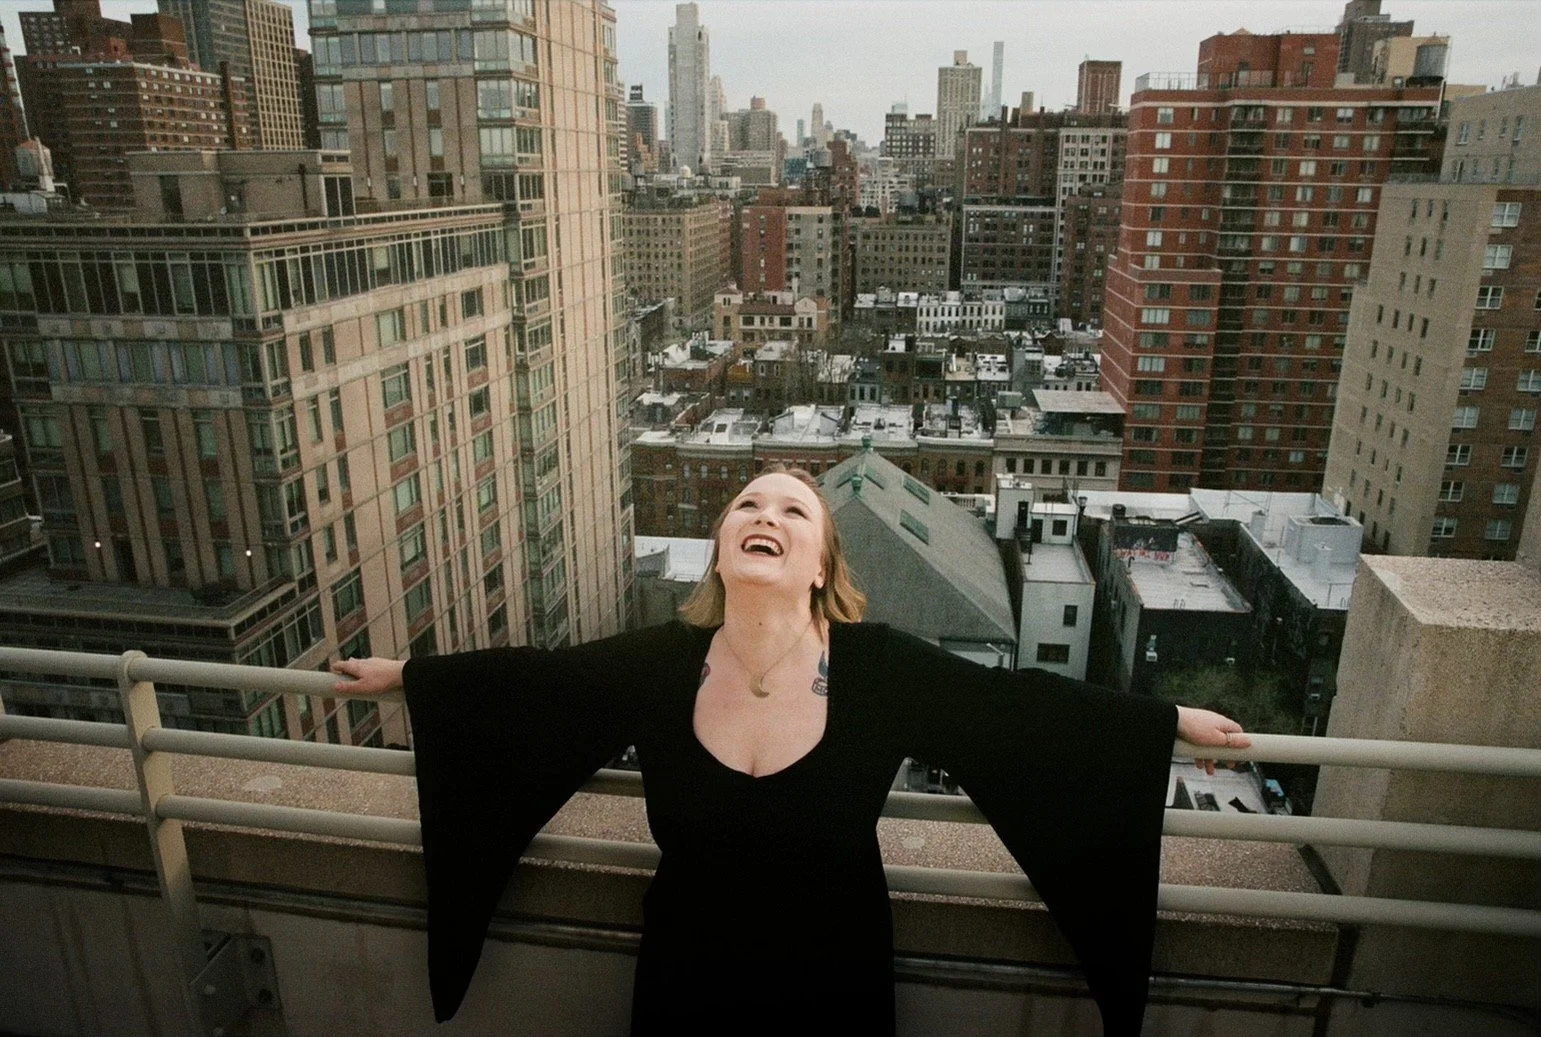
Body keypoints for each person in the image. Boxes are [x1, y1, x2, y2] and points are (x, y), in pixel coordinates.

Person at [334, 465, 1249, 1036]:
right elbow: (534, 685)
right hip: (685, 988)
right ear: (722, 546)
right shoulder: (659, 664)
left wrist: (1160, 722)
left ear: (820, 564)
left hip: (834, 992)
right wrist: (413, 678)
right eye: (745, 504)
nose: (760, 514)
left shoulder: (880, 668)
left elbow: (1014, 713)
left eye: (791, 510)